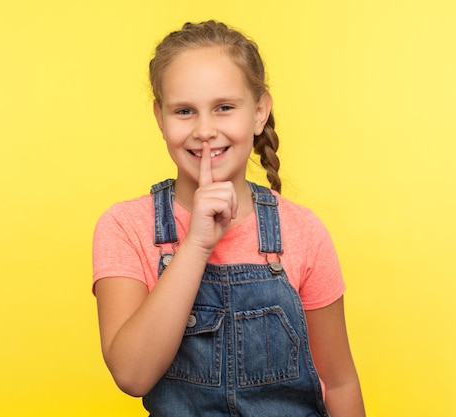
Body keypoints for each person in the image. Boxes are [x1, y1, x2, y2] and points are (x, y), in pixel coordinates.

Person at [93, 20, 365, 417]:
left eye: (224, 108)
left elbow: (340, 381)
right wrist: (197, 244)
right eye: (184, 111)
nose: (205, 130)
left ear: (258, 113)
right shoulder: (124, 227)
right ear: (160, 118)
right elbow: (132, 375)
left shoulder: (303, 232)